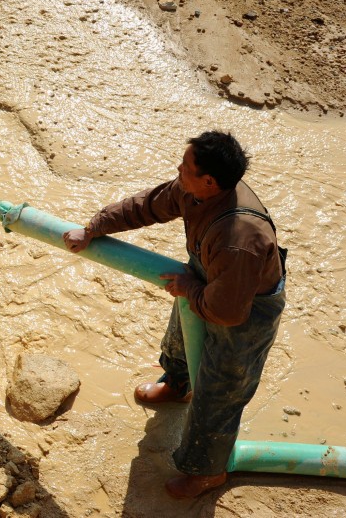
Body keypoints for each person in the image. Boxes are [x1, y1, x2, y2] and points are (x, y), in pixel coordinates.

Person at [62, 131, 286, 500]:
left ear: (209, 180)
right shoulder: (194, 189)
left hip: (245, 309)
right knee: (181, 339)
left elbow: (227, 312)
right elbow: (148, 205)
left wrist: (190, 290)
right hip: (207, 280)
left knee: (219, 391)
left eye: (184, 166)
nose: (177, 169)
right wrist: (93, 228)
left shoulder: (239, 237)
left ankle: (208, 472)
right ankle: (178, 385)